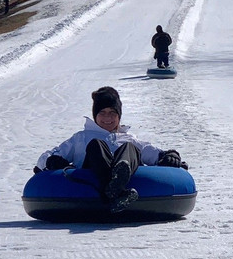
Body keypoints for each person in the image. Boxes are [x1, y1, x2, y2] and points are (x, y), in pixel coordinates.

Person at [35, 86, 187, 212]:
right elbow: (45, 158)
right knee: (96, 145)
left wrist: (169, 156)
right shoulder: (81, 138)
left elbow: (153, 154)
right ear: (95, 115)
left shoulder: (128, 138)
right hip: (92, 173)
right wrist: (51, 161)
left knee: (130, 148)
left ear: (119, 115)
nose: (107, 118)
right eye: (102, 113)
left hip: (125, 167)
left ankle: (120, 175)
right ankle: (115, 189)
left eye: (112, 113)